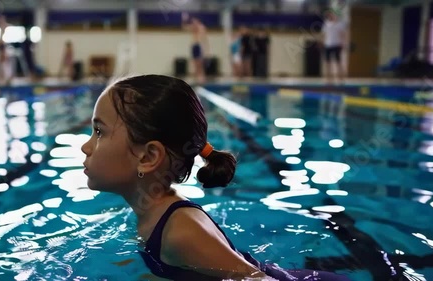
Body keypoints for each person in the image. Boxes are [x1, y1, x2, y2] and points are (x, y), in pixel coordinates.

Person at [80, 74, 352, 281]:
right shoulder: (151, 213)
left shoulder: (181, 232)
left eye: (99, 132)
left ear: (148, 157)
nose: (86, 146)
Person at [321, 10, 347, 84]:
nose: (331, 16)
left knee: (338, 62)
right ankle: (329, 80)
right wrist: (323, 43)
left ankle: (341, 79)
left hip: (337, 45)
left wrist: (343, 43)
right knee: (328, 63)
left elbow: (343, 34)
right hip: (328, 45)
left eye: (332, 15)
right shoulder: (326, 24)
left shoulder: (340, 24)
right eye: (329, 15)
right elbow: (324, 34)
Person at [182, 13, 208, 84]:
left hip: (199, 46)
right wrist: (184, 19)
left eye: (195, 22)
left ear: (198, 21)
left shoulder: (201, 27)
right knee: (195, 64)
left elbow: (204, 39)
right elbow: (184, 27)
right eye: (193, 22)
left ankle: (202, 78)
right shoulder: (193, 28)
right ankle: (197, 79)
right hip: (194, 46)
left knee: (200, 64)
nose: (193, 24)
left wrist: (206, 50)